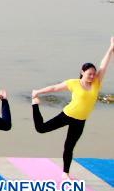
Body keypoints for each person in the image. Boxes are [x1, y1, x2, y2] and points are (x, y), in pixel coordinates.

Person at [31, 37, 113, 178]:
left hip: (80, 121)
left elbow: (103, 65)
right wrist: (38, 92)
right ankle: (35, 105)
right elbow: (55, 88)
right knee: (41, 129)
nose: (92, 76)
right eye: (89, 74)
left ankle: (65, 174)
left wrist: (111, 48)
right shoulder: (73, 83)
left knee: (69, 147)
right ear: (82, 72)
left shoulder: (96, 83)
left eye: (93, 74)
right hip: (67, 115)